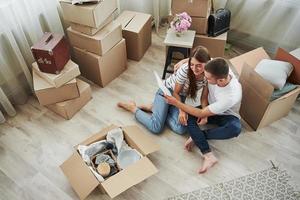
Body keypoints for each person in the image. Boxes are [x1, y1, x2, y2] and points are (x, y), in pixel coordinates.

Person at [164, 58, 242, 173]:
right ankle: (207, 153)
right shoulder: (218, 66)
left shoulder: (230, 96)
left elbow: (200, 113)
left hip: (227, 115)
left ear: (221, 80)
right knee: (188, 117)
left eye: (208, 78)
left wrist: (177, 103)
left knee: (235, 129)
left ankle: (200, 140)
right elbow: (202, 57)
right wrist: (184, 61)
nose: (205, 78)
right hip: (210, 107)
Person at [117, 46, 211, 134]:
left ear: (207, 63)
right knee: (156, 127)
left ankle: (155, 108)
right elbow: (175, 92)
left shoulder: (209, 74)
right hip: (167, 92)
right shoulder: (185, 70)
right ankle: (133, 108)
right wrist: (182, 110)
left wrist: (205, 113)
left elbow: (204, 98)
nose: (194, 69)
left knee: (181, 128)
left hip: (179, 98)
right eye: (192, 64)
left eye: (199, 65)